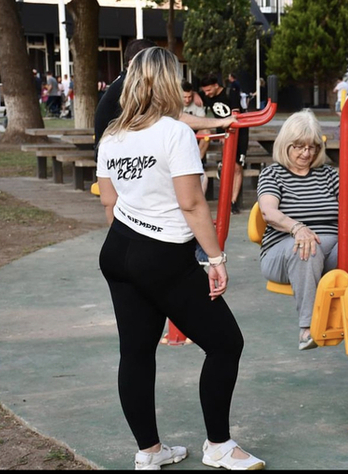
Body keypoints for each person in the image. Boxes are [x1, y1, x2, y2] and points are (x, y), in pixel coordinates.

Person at [96, 47, 265, 471]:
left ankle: (149, 452)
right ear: (171, 83)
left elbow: (109, 203)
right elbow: (192, 205)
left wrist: (134, 242)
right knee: (227, 344)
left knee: (135, 353)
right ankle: (219, 446)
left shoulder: (113, 135)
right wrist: (215, 258)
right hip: (161, 255)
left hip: (118, 250)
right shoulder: (175, 134)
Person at [256, 109, 348, 351]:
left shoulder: (327, 175)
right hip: (284, 251)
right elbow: (268, 211)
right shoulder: (272, 174)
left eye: (312, 147)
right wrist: (297, 228)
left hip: (330, 252)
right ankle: (308, 328)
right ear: (286, 144)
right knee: (308, 246)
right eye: (298, 147)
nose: (306, 153)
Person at [94, 39, 235, 162]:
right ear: (137, 61)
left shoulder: (125, 82)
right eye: (153, 61)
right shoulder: (132, 86)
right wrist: (220, 122)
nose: (158, 68)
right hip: (119, 158)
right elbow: (172, 117)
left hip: (116, 155)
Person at [199, 74, 248, 214]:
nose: (207, 93)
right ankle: (226, 200)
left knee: (237, 167)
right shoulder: (207, 97)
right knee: (229, 166)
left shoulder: (230, 93)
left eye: (209, 90)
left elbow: (235, 115)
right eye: (205, 91)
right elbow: (194, 95)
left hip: (240, 131)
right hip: (224, 133)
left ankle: (233, 201)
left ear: (216, 85)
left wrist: (227, 132)